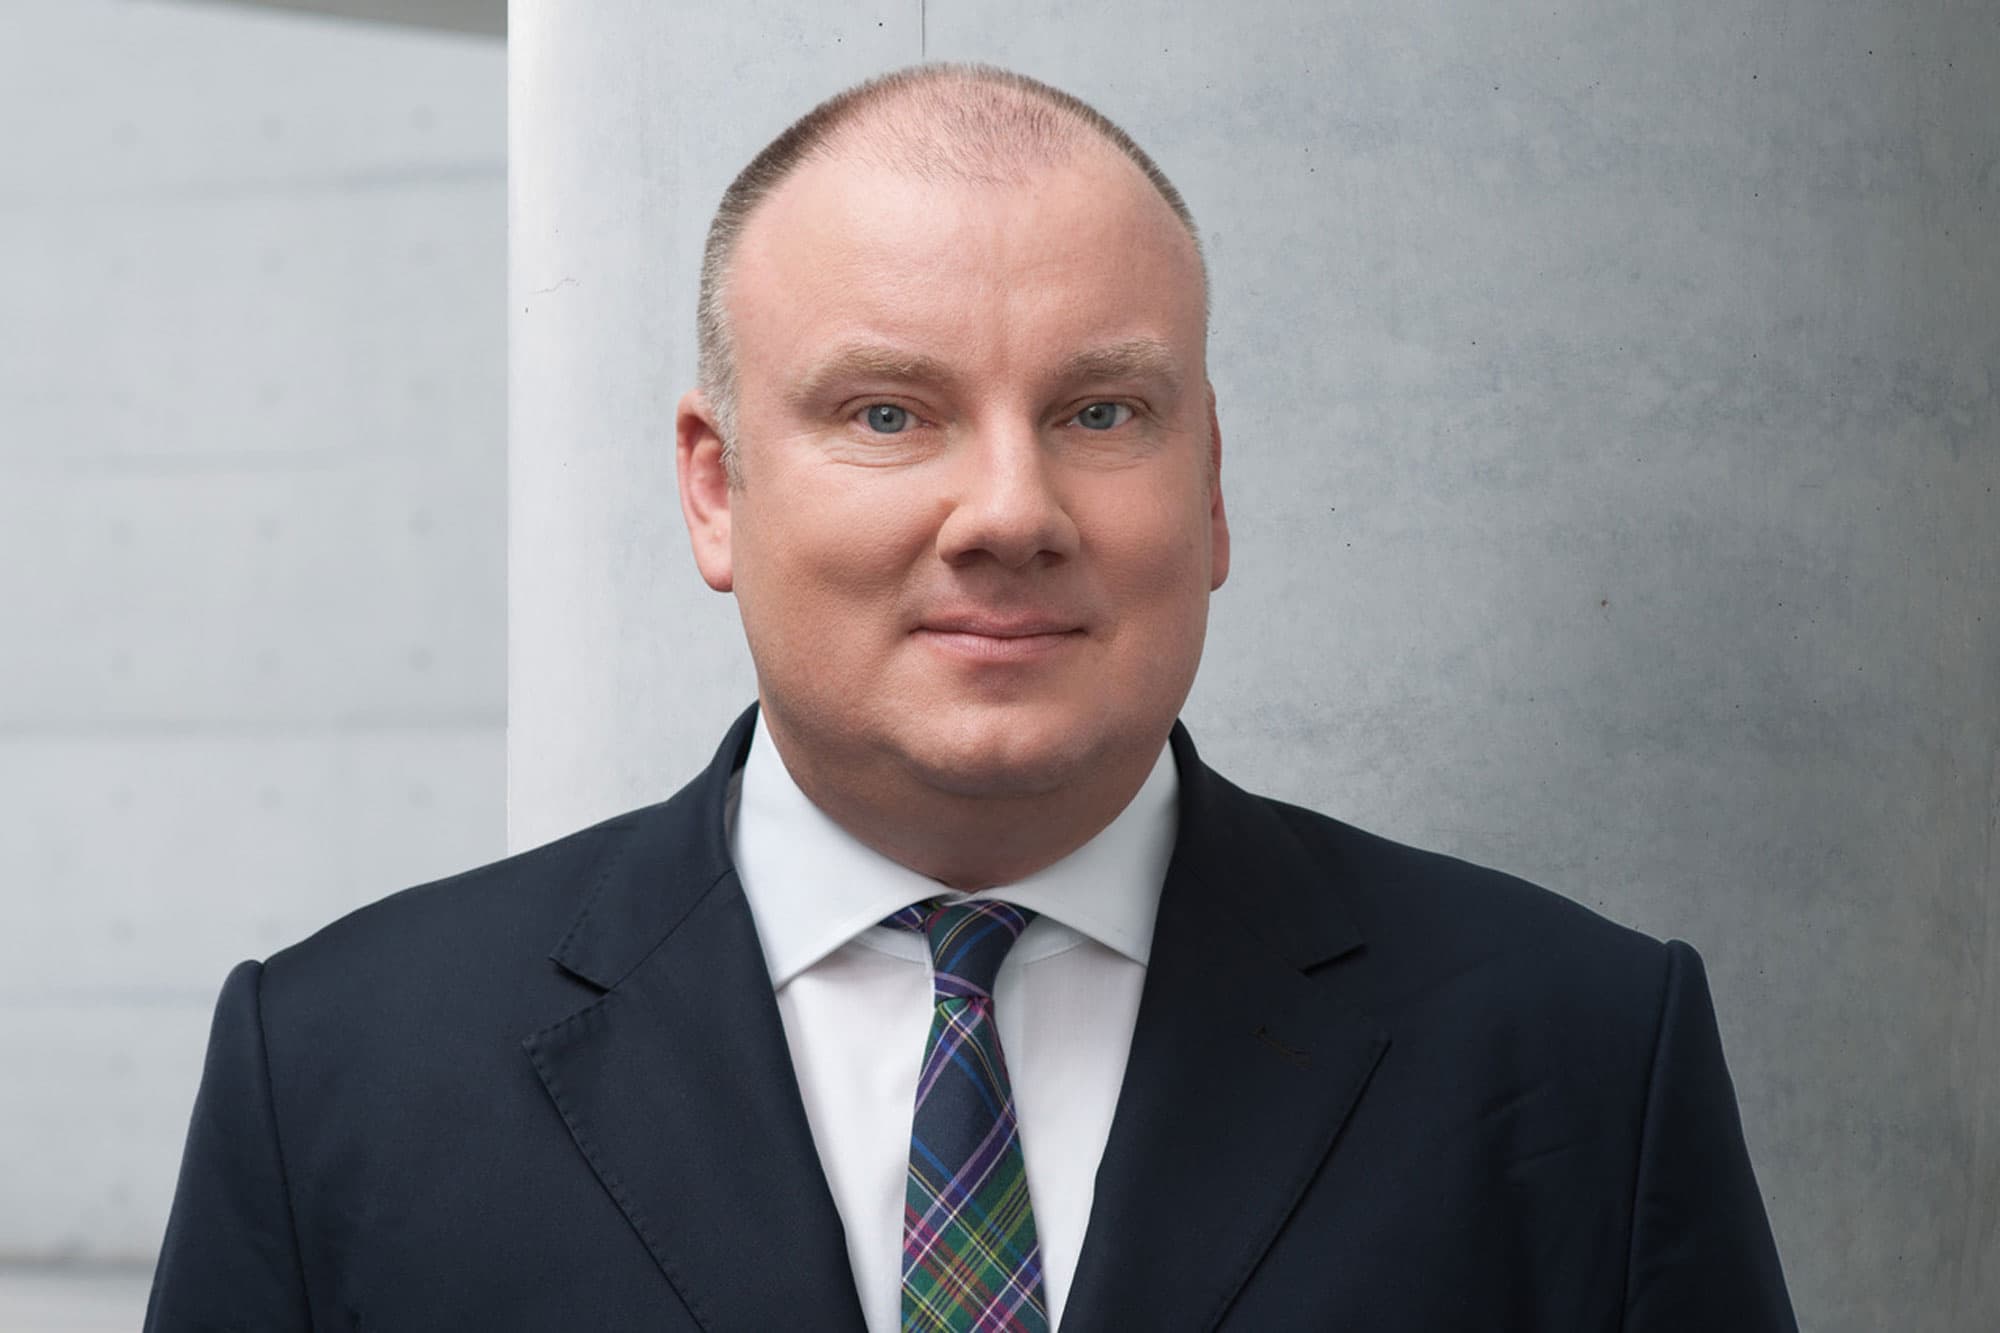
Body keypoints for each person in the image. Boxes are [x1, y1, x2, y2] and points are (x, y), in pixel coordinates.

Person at [146, 64, 1798, 1332]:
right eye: (887, 412)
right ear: (714, 490)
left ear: (1212, 486)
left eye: (1099, 412)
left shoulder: (1579, 1056)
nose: (1010, 510)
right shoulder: (339, 1075)